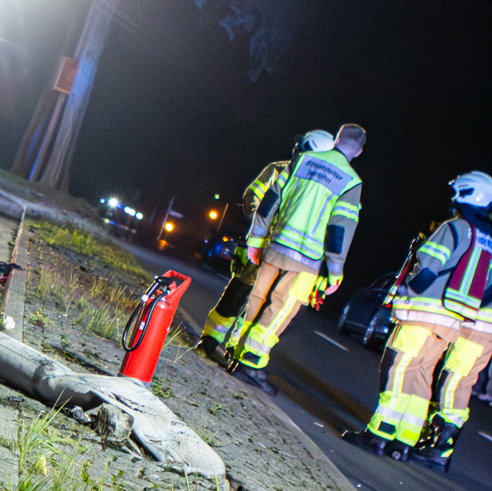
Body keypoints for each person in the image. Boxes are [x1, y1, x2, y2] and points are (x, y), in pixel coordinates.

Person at [342, 171, 492, 461]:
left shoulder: (455, 228)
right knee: (420, 377)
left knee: (398, 369)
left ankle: (379, 434)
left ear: (466, 195)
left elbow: (427, 267)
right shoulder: (485, 239)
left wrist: (409, 289)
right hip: (451, 321)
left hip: (422, 312)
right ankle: (405, 440)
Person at [228, 124, 366, 396]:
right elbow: (340, 228)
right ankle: (252, 362)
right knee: (282, 307)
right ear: (359, 152)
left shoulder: (304, 160)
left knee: (257, 297)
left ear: (336, 139)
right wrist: (335, 270)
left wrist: (255, 239)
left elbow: (270, 200)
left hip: (276, 243)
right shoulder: (351, 182)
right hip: (307, 258)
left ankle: (235, 348)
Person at [198, 130, 336, 364]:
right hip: (262, 247)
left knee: (263, 307)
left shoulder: (323, 187)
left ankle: (236, 351)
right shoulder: (279, 169)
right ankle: (210, 341)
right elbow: (252, 199)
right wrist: (262, 227)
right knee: (238, 294)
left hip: (286, 256)